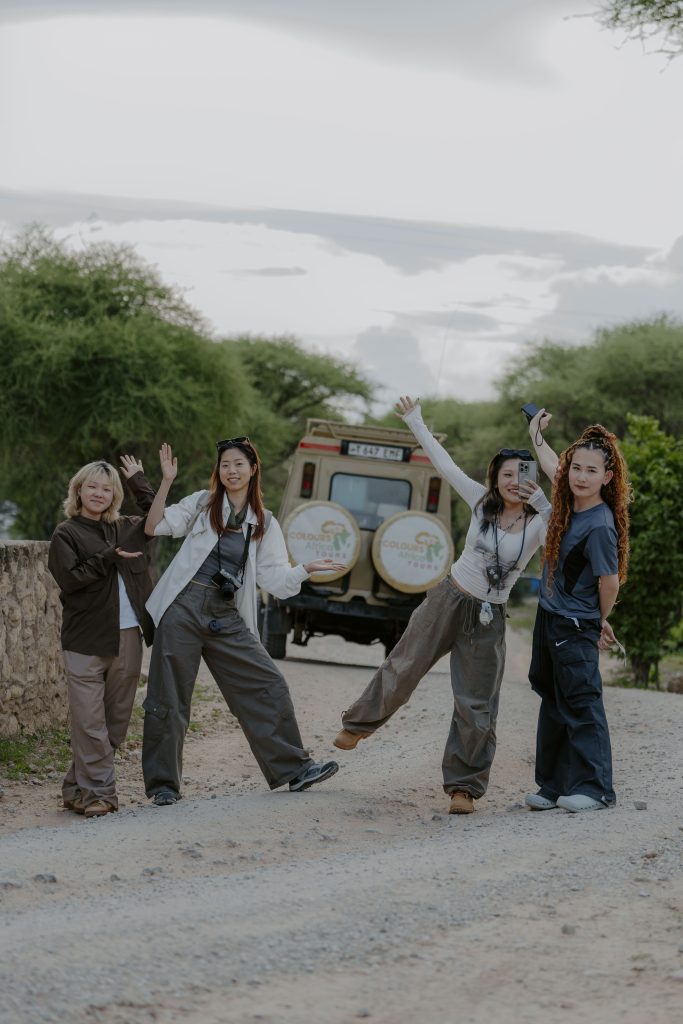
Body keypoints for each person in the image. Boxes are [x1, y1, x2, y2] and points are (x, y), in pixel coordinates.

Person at [334, 395, 552, 815]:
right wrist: (415, 419)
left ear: (533, 479)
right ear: (495, 478)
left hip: (489, 617)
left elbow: (566, 515)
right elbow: (445, 464)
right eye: (506, 474)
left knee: (477, 703)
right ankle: (357, 726)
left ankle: (464, 788)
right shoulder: (480, 501)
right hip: (449, 597)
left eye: (522, 474)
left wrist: (542, 492)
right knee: (405, 665)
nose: (513, 481)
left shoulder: (541, 521)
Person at [141, 438, 345, 805]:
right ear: (218, 472)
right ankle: (163, 786)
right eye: (225, 465)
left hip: (224, 613)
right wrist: (167, 482)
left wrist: (305, 570)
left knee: (269, 683)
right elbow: (154, 527)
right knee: (169, 697)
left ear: (253, 469)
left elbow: (275, 581)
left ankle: (294, 770)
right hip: (183, 606)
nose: (231, 471)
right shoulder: (203, 502)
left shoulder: (264, 522)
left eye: (238, 464)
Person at [523, 410, 630, 812]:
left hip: (575, 624)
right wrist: (535, 435)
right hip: (549, 616)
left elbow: (610, 582)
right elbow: (555, 465)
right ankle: (553, 786)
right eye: (577, 468)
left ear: (607, 477)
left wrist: (599, 620)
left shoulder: (600, 524)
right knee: (553, 700)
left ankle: (596, 788)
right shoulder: (570, 500)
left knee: (581, 704)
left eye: (591, 471)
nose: (580, 476)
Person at [48, 457, 157, 818]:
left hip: (127, 638)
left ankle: (76, 786)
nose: (98, 493)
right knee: (89, 722)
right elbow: (71, 579)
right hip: (83, 641)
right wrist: (109, 558)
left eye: (106, 488)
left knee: (115, 724)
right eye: (92, 486)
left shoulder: (128, 527)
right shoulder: (66, 533)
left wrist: (140, 481)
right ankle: (101, 793)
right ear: (78, 490)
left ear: (114, 495)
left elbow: (159, 518)